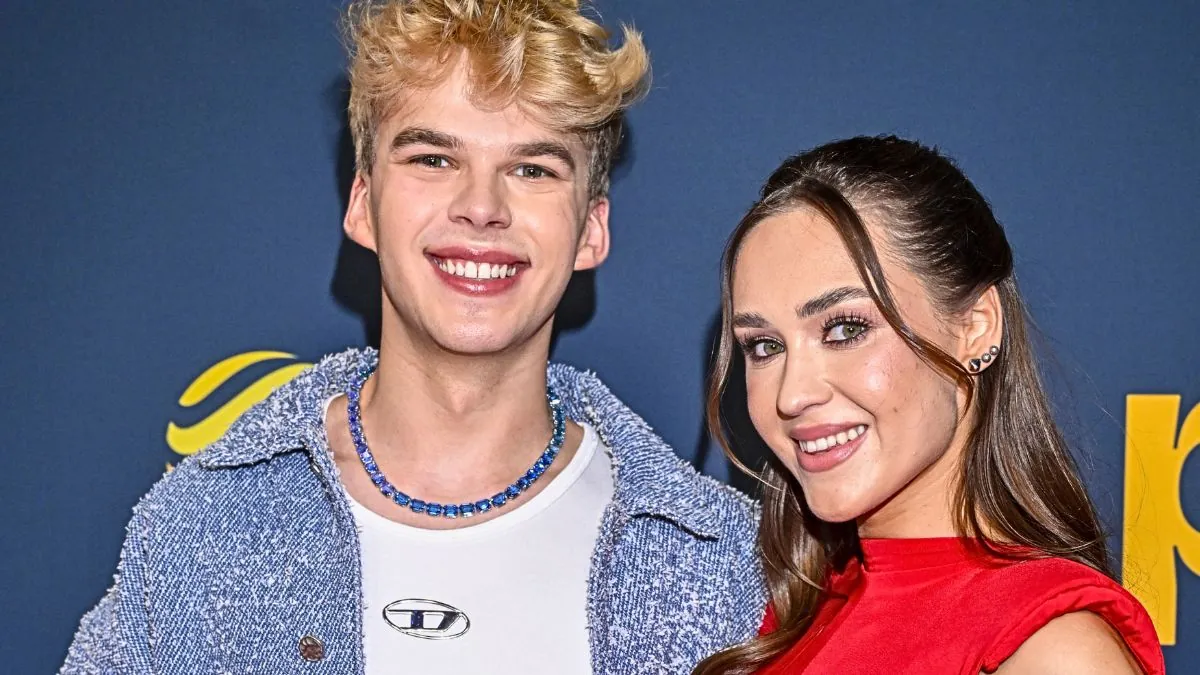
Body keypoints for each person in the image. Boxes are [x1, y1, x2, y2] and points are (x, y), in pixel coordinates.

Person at [60, 2, 764, 672]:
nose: (481, 207)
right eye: (434, 159)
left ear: (591, 230)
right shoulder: (202, 531)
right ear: (363, 206)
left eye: (532, 169)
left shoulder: (718, 563)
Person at [693, 136, 1164, 674]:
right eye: (764, 346)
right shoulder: (801, 615)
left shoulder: (1051, 647)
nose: (792, 395)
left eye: (845, 329)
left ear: (975, 328)